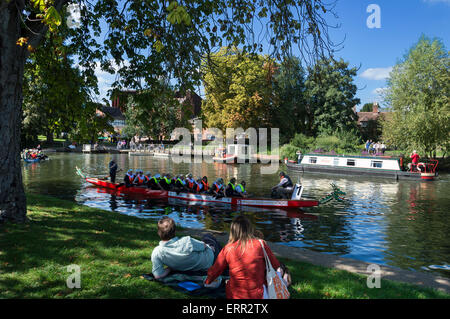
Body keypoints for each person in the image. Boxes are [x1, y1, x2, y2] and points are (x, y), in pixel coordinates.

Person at [204, 216, 282, 299]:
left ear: (233, 231)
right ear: (249, 229)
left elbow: (215, 270)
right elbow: (276, 265)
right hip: (259, 295)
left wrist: (207, 282)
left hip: (235, 296)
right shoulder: (260, 244)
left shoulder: (228, 248)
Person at [151, 217, 220, 279]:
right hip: (209, 262)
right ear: (174, 231)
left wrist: (170, 269)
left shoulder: (157, 252)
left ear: (159, 233)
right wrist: (209, 247)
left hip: (198, 267)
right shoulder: (187, 241)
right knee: (207, 236)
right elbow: (203, 246)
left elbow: (158, 275)